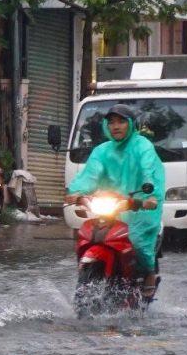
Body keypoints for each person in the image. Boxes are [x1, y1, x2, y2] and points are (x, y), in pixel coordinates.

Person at [66, 102, 167, 303]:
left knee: (137, 241)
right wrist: (77, 192)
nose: (116, 126)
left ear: (131, 124)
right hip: (112, 203)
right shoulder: (102, 150)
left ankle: (148, 273)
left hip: (141, 202)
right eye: (111, 122)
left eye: (122, 121)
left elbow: (149, 171)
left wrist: (150, 196)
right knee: (91, 234)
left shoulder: (142, 146)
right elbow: (90, 174)